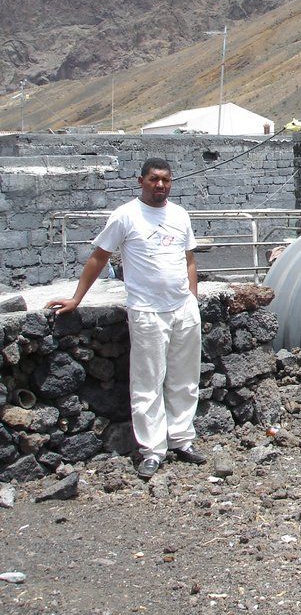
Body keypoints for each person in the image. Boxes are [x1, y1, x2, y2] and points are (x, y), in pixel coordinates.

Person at [47, 158, 206, 480]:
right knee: (148, 383)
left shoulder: (180, 215)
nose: (160, 185)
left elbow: (188, 257)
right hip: (147, 310)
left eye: (165, 180)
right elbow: (99, 257)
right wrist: (77, 299)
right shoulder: (126, 215)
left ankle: (181, 439)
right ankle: (152, 450)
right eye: (154, 179)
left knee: (185, 378)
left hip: (183, 309)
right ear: (141, 181)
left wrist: (192, 296)